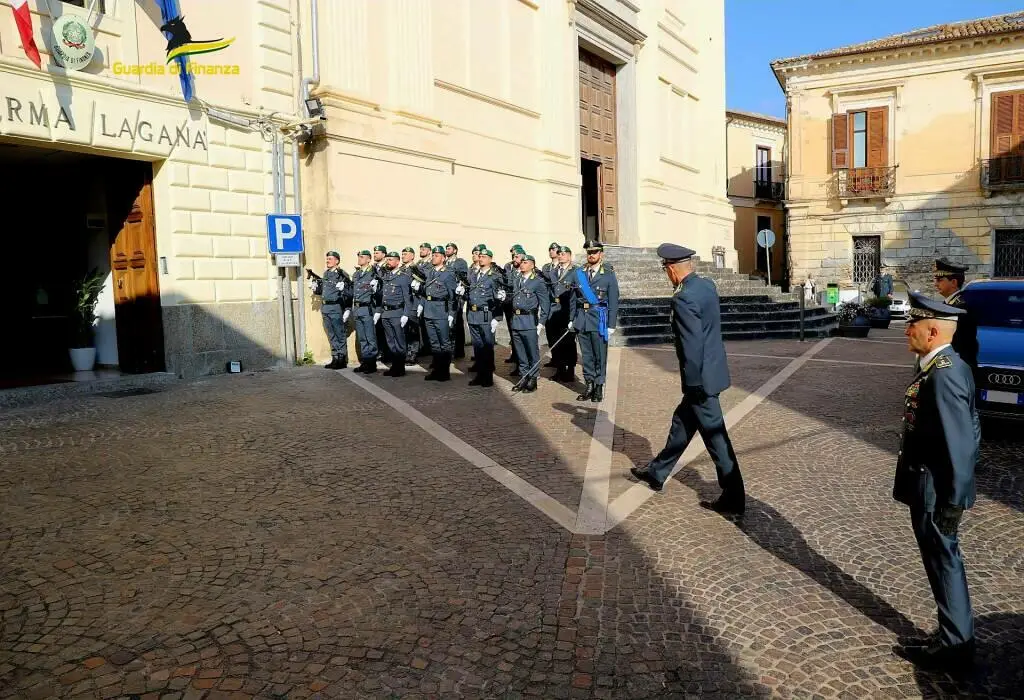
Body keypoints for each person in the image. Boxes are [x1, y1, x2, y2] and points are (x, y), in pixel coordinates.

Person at [892, 291, 979, 673]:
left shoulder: (943, 375)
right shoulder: (940, 365)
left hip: (935, 489)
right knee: (941, 561)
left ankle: (955, 645)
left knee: (944, 561)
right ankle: (951, 634)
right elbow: (973, 428)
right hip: (932, 483)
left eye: (912, 324)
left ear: (931, 331)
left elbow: (960, 442)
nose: (906, 329)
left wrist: (952, 502)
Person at [629, 243, 745, 516]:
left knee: (716, 438)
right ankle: (657, 472)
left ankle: (734, 496)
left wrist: (693, 384)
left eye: (665, 270)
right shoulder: (706, 285)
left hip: (700, 381)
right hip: (712, 372)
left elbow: (692, 346)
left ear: (671, 270)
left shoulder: (683, 298)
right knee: (681, 423)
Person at [569, 240, 619, 403]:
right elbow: (573, 298)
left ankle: (598, 386)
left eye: (595, 252)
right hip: (582, 320)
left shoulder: (608, 274)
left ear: (601, 254)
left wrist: (611, 325)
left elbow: (613, 300)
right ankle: (589, 384)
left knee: (599, 356)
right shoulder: (579, 273)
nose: (591, 255)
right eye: (589, 253)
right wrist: (572, 319)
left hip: (599, 320)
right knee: (587, 356)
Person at [510, 255, 550, 393]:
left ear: (532, 265)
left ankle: (533, 377)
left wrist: (541, 323)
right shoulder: (517, 280)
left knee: (532, 352)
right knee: (520, 352)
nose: (521, 264)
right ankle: (523, 377)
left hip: (529, 321)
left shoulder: (537, 282)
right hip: (516, 320)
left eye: (525, 262)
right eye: (521, 262)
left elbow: (545, 304)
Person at [466, 248, 506, 387]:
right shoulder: (474, 274)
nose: (480, 258)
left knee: (487, 347)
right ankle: (480, 374)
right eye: (480, 256)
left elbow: (500, 297)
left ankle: (487, 377)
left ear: (490, 259)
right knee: (477, 347)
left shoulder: (494, 276)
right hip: (473, 314)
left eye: (483, 256)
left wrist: (497, 317)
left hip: (486, 315)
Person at [419, 245, 459, 382]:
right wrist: (421, 306)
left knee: (444, 343)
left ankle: (444, 372)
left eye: (436, 255)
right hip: (429, 311)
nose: (434, 257)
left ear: (443, 258)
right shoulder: (429, 272)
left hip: (441, 311)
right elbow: (425, 293)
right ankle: (436, 370)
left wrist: (451, 314)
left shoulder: (448, 274)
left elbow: (453, 296)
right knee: (434, 343)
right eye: (433, 255)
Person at [933, 257, 977, 370]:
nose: (935, 284)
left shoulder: (961, 308)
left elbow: (959, 344)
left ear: (953, 282)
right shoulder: (948, 304)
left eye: (940, 280)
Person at [310, 250, 352, 369]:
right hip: (326, 307)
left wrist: (348, 309)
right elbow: (324, 290)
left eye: (330, 259)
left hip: (336, 307)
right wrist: (315, 288)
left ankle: (342, 359)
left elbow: (349, 293)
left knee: (340, 334)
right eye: (327, 258)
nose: (327, 261)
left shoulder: (342, 274)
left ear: (337, 261)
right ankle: (335, 357)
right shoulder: (326, 274)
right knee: (332, 334)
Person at [379, 251, 414, 377]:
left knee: (399, 342)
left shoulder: (403, 277)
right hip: (386, 313)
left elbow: (408, 298)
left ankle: (400, 367)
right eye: (387, 260)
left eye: (391, 260)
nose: (388, 262)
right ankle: (394, 366)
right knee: (390, 342)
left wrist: (406, 314)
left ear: (398, 262)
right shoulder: (386, 276)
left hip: (397, 313)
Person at [548, 245, 579, 382]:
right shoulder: (553, 271)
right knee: (556, 342)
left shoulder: (575, 271)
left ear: (569, 256)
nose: (561, 256)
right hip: (555, 312)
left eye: (564, 254)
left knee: (569, 343)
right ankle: (559, 370)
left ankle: (570, 370)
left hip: (567, 312)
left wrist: (574, 316)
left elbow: (576, 296)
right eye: (559, 254)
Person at [351, 250, 381, 374]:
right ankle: (365, 362)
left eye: (362, 257)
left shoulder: (374, 273)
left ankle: (371, 363)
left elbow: (380, 293)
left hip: (368, 309)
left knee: (370, 338)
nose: (359, 259)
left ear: (368, 259)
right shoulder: (356, 274)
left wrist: (378, 310)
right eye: (359, 257)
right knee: (362, 338)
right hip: (358, 309)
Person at [446, 242, 470, 360]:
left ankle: (457, 349)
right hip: (448, 295)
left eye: (449, 248)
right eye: (446, 248)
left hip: (458, 296)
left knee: (457, 322)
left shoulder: (460, 262)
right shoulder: (445, 262)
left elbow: (463, 278)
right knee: (450, 323)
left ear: (455, 250)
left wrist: (461, 288)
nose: (447, 250)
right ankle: (451, 348)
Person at [503, 245, 526, 366]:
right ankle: (515, 355)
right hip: (508, 304)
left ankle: (520, 360)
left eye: (516, 256)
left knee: (519, 334)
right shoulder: (508, 266)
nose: (514, 258)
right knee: (512, 331)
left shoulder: (526, 268)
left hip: (520, 307)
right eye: (513, 256)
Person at [399, 247, 423, 362]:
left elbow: (424, 285)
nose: (403, 256)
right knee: (404, 329)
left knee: (413, 329)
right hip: (403, 303)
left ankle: (413, 353)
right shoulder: (401, 269)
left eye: (405, 254)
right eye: (402, 254)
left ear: (412, 256)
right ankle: (405, 352)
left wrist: (421, 303)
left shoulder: (417, 269)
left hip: (414, 302)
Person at [541, 242, 561, 369]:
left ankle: (562, 361)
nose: (552, 251)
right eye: (550, 249)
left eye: (554, 249)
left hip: (559, 304)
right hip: (548, 302)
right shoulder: (546, 267)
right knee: (550, 334)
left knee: (559, 334)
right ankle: (554, 358)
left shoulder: (562, 267)